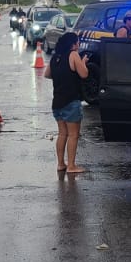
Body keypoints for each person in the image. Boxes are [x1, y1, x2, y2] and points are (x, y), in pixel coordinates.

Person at [50, 32, 91, 174]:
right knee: (73, 135)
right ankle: (72, 166)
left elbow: (47, 74)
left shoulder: (55, 57)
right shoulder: (73, 55)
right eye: (77, 42)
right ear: (73, 44)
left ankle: (61, 164)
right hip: (71, 101)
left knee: (62, 134)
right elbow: (84, 74)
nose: (79, 44)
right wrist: (83, 62)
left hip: (57, 101)